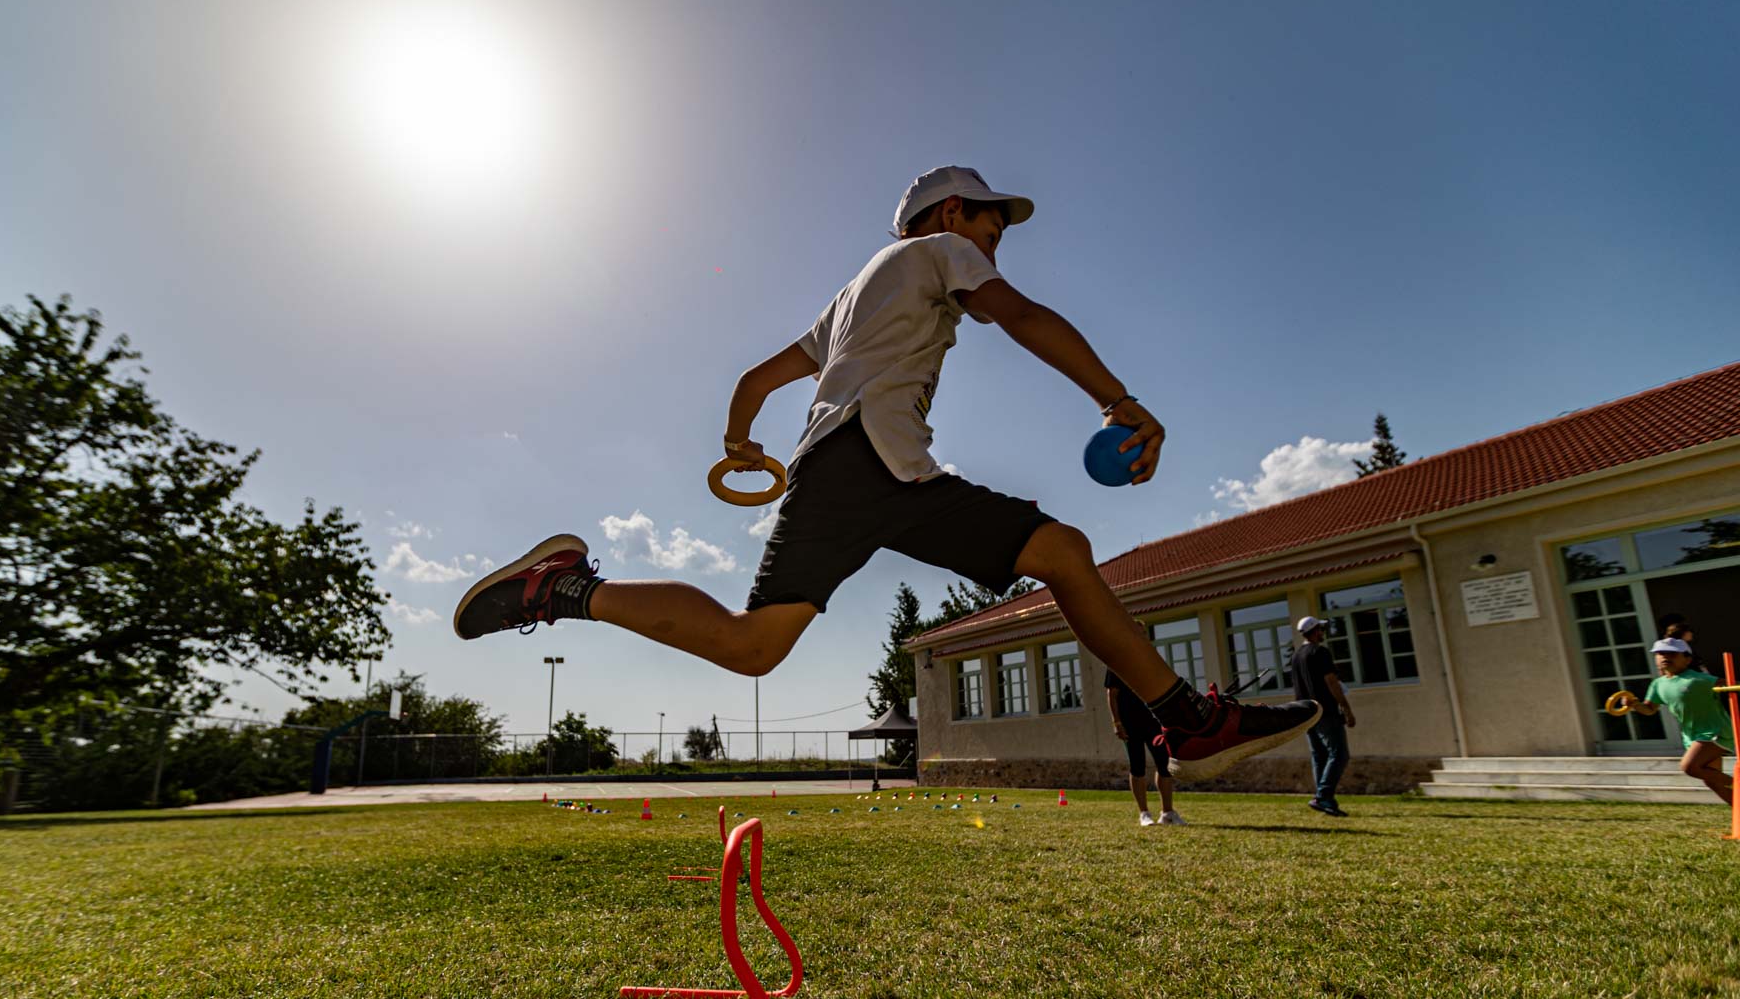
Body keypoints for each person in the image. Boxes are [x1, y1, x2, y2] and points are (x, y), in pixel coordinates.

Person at [455, 166, 1321, 778]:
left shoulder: (850, 295)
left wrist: (739, 443)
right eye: (990, 221)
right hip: (876, 461)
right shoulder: (936, 254)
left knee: (755, 646)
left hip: (848, 467)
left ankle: (561, 590)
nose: (996, 239)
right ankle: (1188, 718)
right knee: (1061, 550)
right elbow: (1019, 315)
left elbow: (754, 380)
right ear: (949, 214)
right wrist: (1117, 399)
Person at [1622, 637, 1733, 805]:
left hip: (1715, 732)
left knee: (1689, 767)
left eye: (1672, 654)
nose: (1665, 657)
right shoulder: (1658, 684)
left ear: (1687, 659)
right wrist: (1634, 704)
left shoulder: (1699, 679)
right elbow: (1650, 709)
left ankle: (1737, 784)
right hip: (1692, 736)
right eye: (1660, 654)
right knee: (1713, 781)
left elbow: (1731, 685)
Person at [1106, 645, 1184, 826]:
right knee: (1137, 765)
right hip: (1129, 723)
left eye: (1142, 634)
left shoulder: (1150, 660)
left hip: (1154, 722)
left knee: (1164, 764)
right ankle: (1144, 814)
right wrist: (1117, 722)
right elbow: (1111, 694)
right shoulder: (1116, 661)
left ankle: (1167, 813)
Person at [1290, 617, 1356, 816]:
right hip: (1325, 711)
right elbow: (1331, 682)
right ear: (1314, 631)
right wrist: (1346, 708)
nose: (1323, 632)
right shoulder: (1320, 652)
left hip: (1306, 712)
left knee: (1319, 756)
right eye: (1320, 629)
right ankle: (1323, 796)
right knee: (1339, 754)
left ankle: (1323, 799)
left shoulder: (1296, 656)